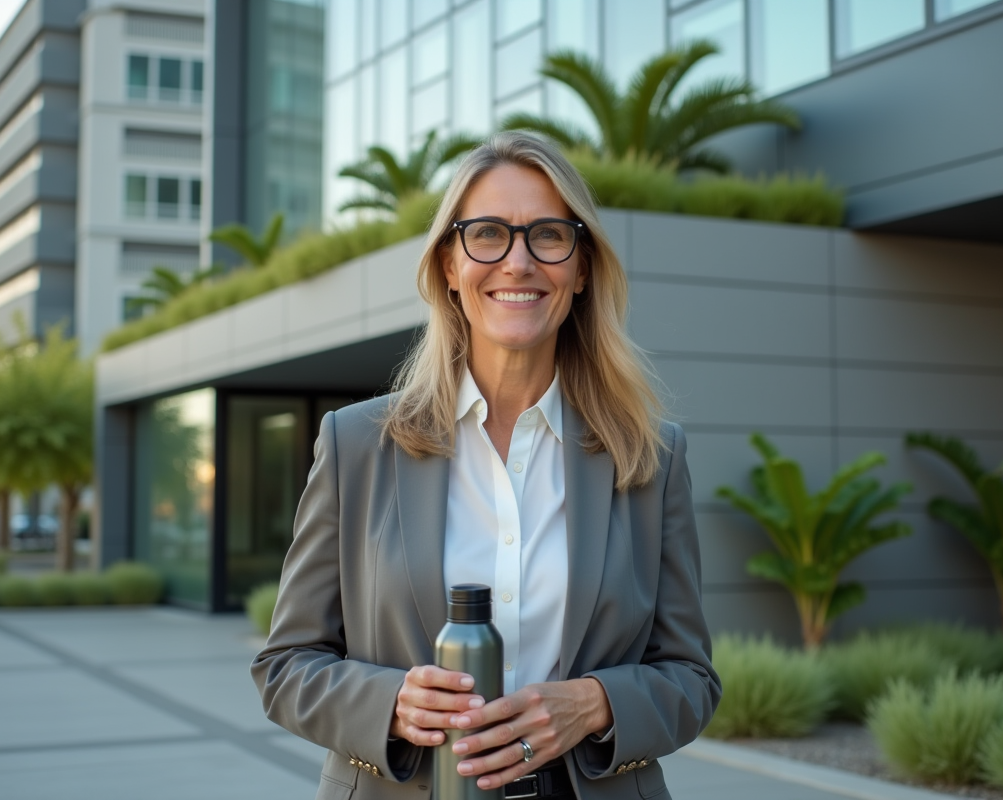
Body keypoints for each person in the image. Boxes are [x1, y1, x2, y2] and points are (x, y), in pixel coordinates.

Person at [252, 131, 720, 800]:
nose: (518, 261)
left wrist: (594, 704)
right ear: (449, 263)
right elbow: (285, 667)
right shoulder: (357, 444)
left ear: (581, 268)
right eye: (488, 234)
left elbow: (691, 679)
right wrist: (391, 703)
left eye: (549, 235)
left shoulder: (651, 456)